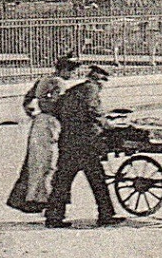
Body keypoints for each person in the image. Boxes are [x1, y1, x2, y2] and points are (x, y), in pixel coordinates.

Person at [43, 65, 126, 228]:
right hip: (85, 144)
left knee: (63, 180)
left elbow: (59, 109)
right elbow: (92, 110)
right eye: (103, 81)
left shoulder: (76, 89)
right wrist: (107, 124)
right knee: (97, 180)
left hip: (68, 141)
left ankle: (54, 216)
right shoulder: (91, 89)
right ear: (98, 79)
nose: (103, 85)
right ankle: (105, 215)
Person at [6, 55, 80, 213]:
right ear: (65, 69)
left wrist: (31, 113)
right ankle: (41, 200)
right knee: (47, 163)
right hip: (50, 122)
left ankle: (32, 198)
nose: (73, 75)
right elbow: (59, 105)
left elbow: (28, 98)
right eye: (72, 71)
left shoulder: (43, 80)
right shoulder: (59, 83)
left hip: (38, 121)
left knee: (35, 161)